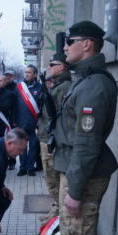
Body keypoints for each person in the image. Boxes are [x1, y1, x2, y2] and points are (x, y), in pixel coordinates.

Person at [50, 21, 118, 235]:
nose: (65, 47)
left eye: (71, 41)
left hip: (84, 175)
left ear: (88, 44)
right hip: (73, 168)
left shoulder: (94, 84)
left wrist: (75, 191)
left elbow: (87, 145)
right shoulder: (84, 79)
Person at [38, 54, 71, 223]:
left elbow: (60, 118)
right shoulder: (55, 86)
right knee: (50, 179)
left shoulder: (64, 87)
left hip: (53, 141)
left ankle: (58, 215)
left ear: (62, 67)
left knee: (54, 179)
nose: (49, 67)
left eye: (53, 64)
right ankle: (55, 209)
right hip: (46, 137)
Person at [13, 64, 42, 176]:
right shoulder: (19, 87)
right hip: (21, 122)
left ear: (35, 74)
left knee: (34, 146)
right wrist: (14, 120)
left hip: (34, 122)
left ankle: (30, 167)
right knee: (22, 145)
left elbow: (41, 106)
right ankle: (22, 167)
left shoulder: (39, 87)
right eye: (26, 72)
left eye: (29, 72)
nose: (27, 74)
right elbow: (14, 105)